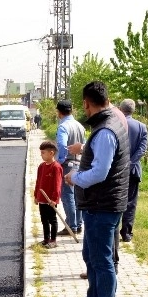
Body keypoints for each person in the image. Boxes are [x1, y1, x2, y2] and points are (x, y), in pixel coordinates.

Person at [64, 81, 130, 297]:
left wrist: (75, 178)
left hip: (103, 204)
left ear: (86, 103)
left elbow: (100, 172)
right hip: (104, 203)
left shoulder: (105, 131)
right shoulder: (113, 120)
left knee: (102, 260)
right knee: (91, 256)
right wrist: (84, 150)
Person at [118, 99, 148, 242]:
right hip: (133, 170)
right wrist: (131, 163)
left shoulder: (115, 124)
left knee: (115, 199)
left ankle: (112, 230)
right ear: (133, 110)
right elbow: (142, 149)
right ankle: (126, 232)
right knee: (130, 201)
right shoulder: (141, 127)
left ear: (120, 108)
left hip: (116, 170)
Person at [55, 99, 86, 236]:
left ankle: (71, 226)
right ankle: (78, 225)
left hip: (67, 164)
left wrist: (60, 160)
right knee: (77, 195)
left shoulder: (63, 126)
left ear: (59, 112)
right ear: (71, 110)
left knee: (67, 196)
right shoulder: (80, 126)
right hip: (79, 163)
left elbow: (62, 145)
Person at [34, 140, 63, 248]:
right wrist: (36, 195)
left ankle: (53, 240)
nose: (41, 155)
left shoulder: (56, 167)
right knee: (44, 220)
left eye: (43, 153)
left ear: (51, 153)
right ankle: (46, 239)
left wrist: (54, 199)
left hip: (50, 200)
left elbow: (57, 185)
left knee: (52, 220)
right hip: (42, 198)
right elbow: (38, 182)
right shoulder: (41, 166)